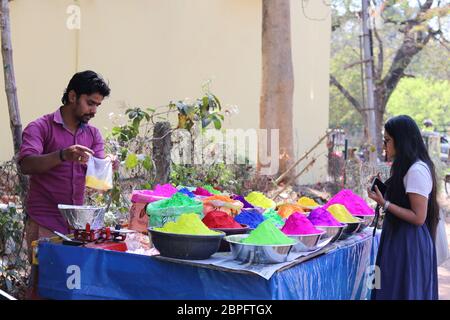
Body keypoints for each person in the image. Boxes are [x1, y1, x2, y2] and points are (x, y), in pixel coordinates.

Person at [18, 70, 116, 260]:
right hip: (43, 223)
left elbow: (96, 180)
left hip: (77, 228)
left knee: (68, 286)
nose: (94, 111)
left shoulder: (93, 135)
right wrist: (63, 155)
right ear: (72, 96)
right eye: (90, 103)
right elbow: (26, 164)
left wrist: (107, 166)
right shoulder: (40, 127)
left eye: (97, 105)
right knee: (42, 285)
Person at [367, 115, 439, 300]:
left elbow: (418, 217)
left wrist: (385, 203)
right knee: (390, 290)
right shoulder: (405, 168)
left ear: (401, 140)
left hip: (409, 245)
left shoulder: (417, 170)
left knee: (404, 292)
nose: (385, 146)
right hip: (398, 239)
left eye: (387, 140)